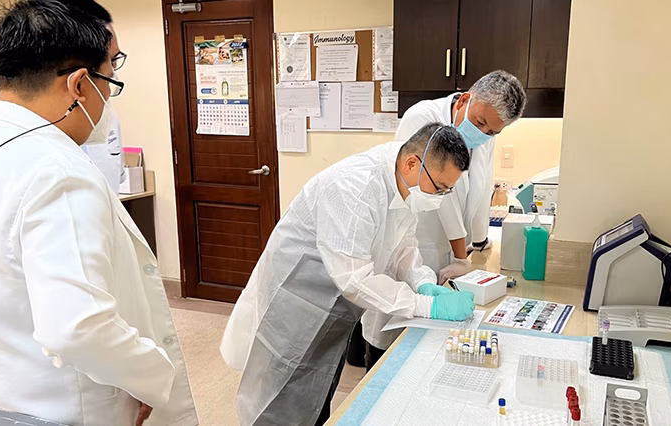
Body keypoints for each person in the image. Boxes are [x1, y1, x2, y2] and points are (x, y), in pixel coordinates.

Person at [0, 0, 196, 426]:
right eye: (109, 78)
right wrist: (151, 377)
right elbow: (77, 327)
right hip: (68, 406)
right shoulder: (57, 172)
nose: (108, 97)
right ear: (79, 86)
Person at [221, 124, 476, 425]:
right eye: (441, 188)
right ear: (412, 164)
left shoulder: (407, 184)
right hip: (298, 297)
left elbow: (402, 245)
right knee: (281, 393)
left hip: (336, 300)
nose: (442, 197)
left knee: (318, 385)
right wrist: (426, 306)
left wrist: (422, 282)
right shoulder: (354, 186)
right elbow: (355, 278)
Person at [362, 70, 527, 371]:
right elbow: (440, 191)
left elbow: (480, 188)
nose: (484, 134)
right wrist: (461, 254)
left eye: (493, 132)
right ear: (465, 99)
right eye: (480, 123)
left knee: (432, 348)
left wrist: (478, 243)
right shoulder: (423, 117)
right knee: (392, 335)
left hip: (441, 250)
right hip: (411, 237)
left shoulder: (484, 136)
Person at [0, 0, 127, 194]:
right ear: (78, 84)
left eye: (115, 59)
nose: (111, 71)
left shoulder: (104, 118)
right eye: (108, 59)